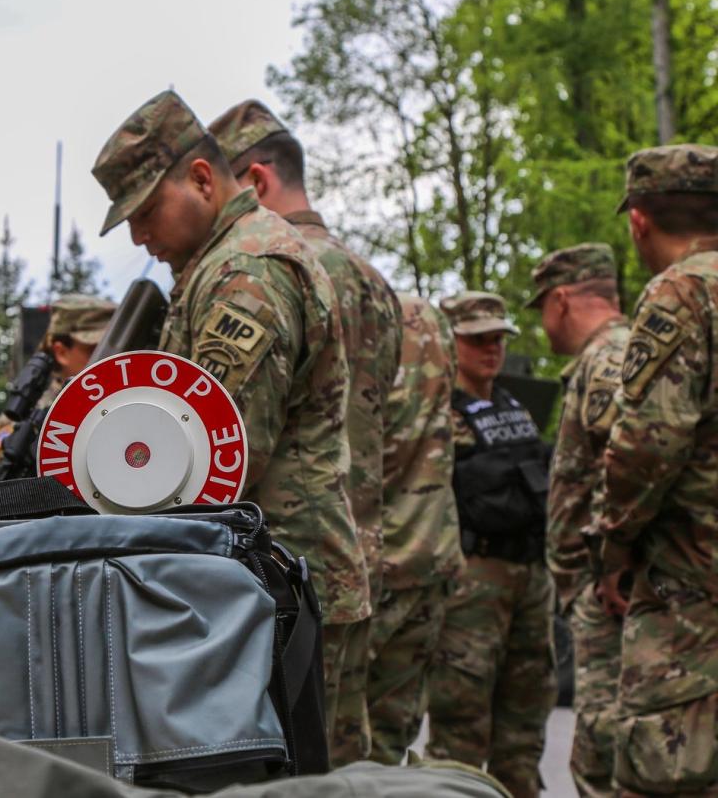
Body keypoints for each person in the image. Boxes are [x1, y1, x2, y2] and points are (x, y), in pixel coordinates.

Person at [92, 90, 362, 760]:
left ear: (202, 179)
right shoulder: (219, 263)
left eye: (146, 211)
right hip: (263, 582)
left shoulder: (248, 272)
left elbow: (212, 461)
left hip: (280, 592)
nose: (138, 237)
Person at [208, 99, 402, 763]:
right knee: (359, 760)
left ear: (256, 181)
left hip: (292, 565)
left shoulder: (270, 266)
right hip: (360, 553)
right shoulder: (374, 280)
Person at [596, 144, 718, 796]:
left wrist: (615, 543)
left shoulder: (683, 291)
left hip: (693, 596)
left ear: (639, 221)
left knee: (668, 775)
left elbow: (649, 443)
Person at [427, 292, 555, 797]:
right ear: (452, 342)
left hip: (530, 575)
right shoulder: (439, 410)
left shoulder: (514, 406)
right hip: (474, 577)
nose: (491, 349)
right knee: (461, 718)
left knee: (525, 717)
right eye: (478, 339)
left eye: (498, 338)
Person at [527, 243, 628, 797]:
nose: (543, 324)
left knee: (603, 755)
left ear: (561, 300)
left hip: (608, 599)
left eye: (542, 306)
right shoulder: (612, 355)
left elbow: (627, 457)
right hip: (602, 592)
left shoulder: (609, 358)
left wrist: (614, 559)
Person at [366, 294, 465, 764]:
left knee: (334, 731)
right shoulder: (429, 320)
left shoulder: (362, 318)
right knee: (390, 734)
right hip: (430, 552)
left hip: (375, 563)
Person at [0, 294, 116, 483]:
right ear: (62, 352)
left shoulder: (128, 395)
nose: (110, 357)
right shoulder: (29, 415)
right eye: (94, 349)